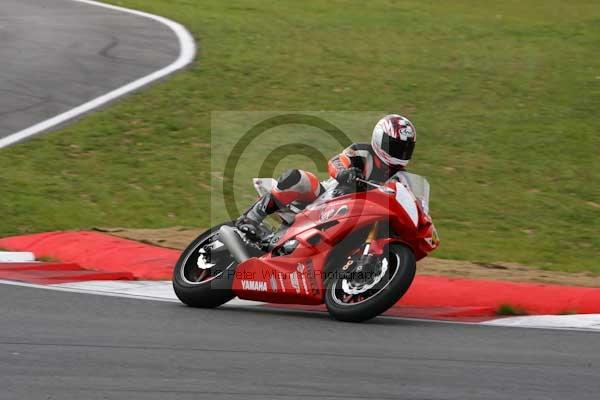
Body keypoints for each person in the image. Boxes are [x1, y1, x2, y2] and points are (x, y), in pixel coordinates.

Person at [236, 114, 417, 240]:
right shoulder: (363, 151)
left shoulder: (401, 178)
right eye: (395, 146)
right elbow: (336, 162)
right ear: (380, 138)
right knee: (300, 178)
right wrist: (346, 173)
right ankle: (251, 218)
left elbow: (408, 202)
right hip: (326, 200)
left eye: (405, 149)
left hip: (359, 217)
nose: (400, 152)